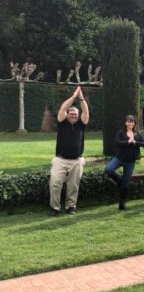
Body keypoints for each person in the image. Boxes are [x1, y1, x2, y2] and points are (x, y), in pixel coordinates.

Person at [49, 86, 89, 216]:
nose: (73, 116)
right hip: (60, 160)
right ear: (67, 115)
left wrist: (81, 98)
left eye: (75, 114)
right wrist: (73, 97)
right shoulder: (62, 122)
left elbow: (86, 112)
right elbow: (63, 108)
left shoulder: (81, 124)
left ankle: (70, 207)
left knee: (73, 186)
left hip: (76, 161)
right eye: (71, 114)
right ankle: (55, 208)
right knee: (55, 183)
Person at [104, 115, 144, 210]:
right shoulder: (121, 132)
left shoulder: (137, 134)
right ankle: (119, 182)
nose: (130, 123)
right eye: (128, 121)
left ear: (134, 123)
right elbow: (116, 142)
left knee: (126, 184)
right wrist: (128, 142)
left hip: (130, 161)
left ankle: (122, 204)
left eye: (132, 121)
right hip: (119, 158)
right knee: (108, 169)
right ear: (125, 123)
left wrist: (135, 143)